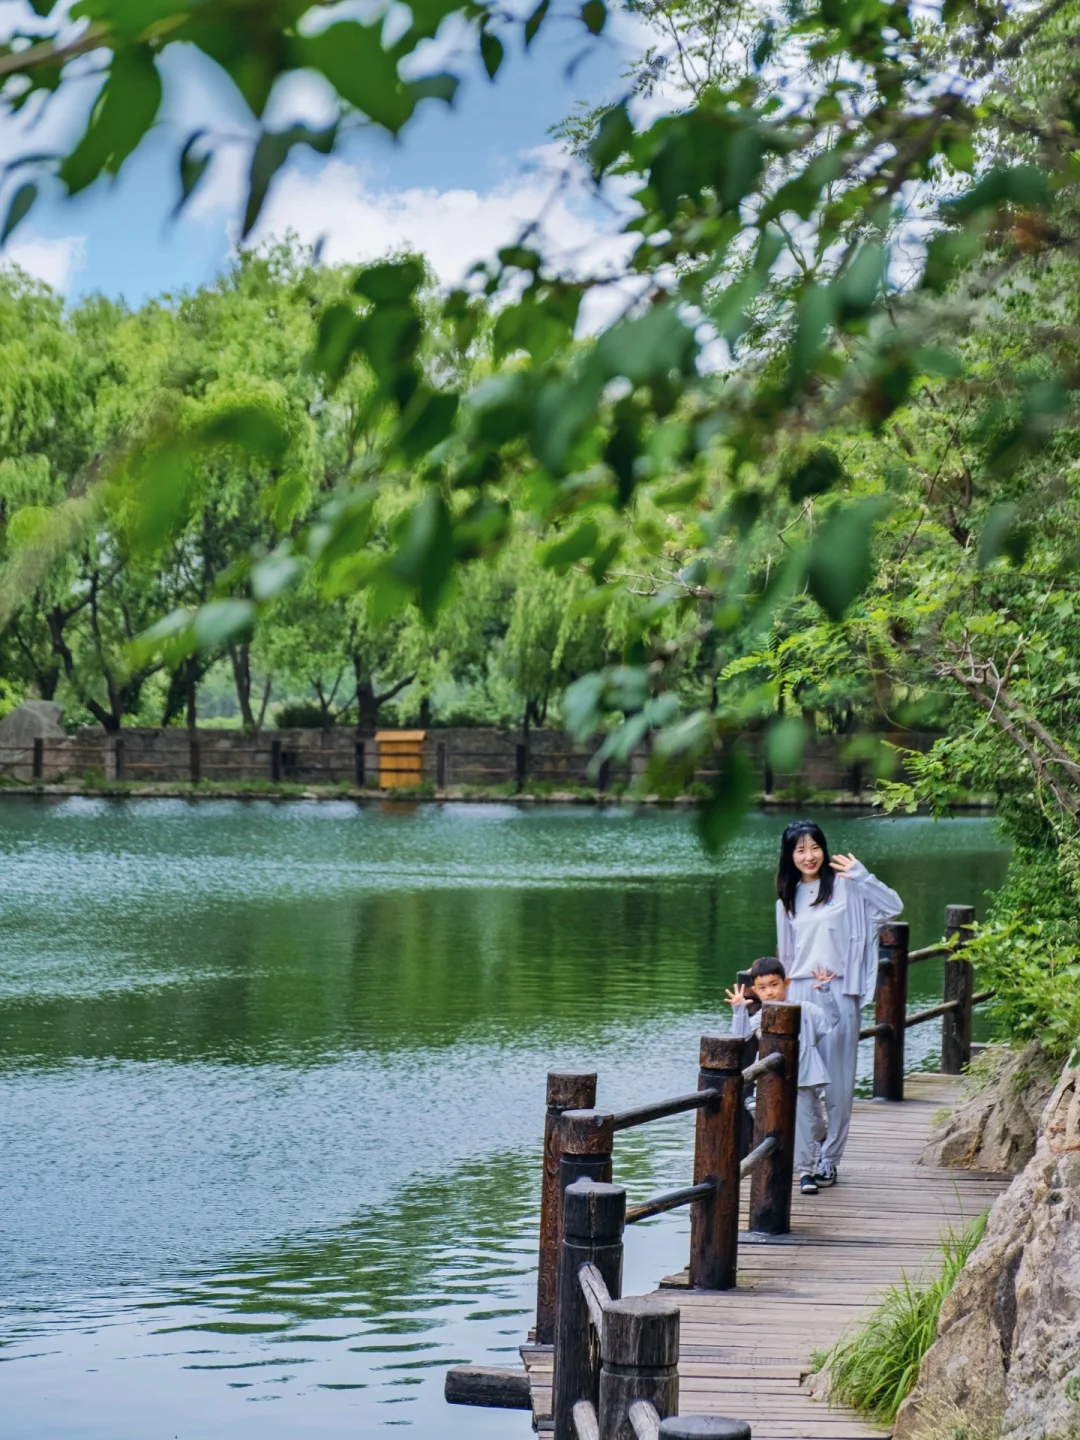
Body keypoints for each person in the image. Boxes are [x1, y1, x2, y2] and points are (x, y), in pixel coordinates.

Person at [775, 820, 903, 1189]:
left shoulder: (847, 887)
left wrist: (863, 876)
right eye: (800, 850)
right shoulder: (787, 898)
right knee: (801, 1082)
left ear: (823, 848)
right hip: (799, 994)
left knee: (838, 1084)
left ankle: (829, 1160)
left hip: (839, 992)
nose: (809, 856)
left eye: (814, 847)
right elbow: (786, 955)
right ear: (790, 856)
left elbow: (893, 906)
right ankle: (808, 1154)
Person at [726, 956, 839, 1195]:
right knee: (767, 1115)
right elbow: (739, 1037)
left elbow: (831, 1020)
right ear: (755, 990)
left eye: (774, 984)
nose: (770, 992)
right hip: (770, 1080)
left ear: (786, 982)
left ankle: (806, 1172)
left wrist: (826, 991)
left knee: (807, 1123)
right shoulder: (759, 1016)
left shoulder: (805, 1009)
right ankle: (776, 1162)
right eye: (763, 987)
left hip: (803, 1076)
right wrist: (739, 1010)